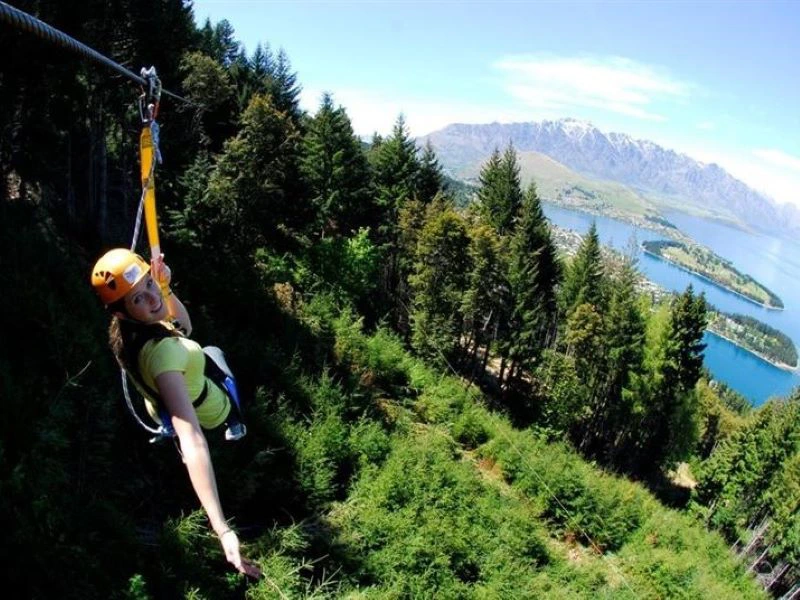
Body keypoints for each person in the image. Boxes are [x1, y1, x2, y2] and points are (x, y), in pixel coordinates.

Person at [91, 248, 261, 579]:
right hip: (207, 407)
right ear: (123, 312)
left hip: (160, 405)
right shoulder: (165, 356)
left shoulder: (129, 334)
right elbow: (194, 441)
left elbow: (182, 324)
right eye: (139, 298)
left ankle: (166, 422)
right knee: (216, 355)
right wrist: (222, 528)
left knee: (193, 354)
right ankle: (235, 422)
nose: (152, 300)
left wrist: (165, 286)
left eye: (149, 285)